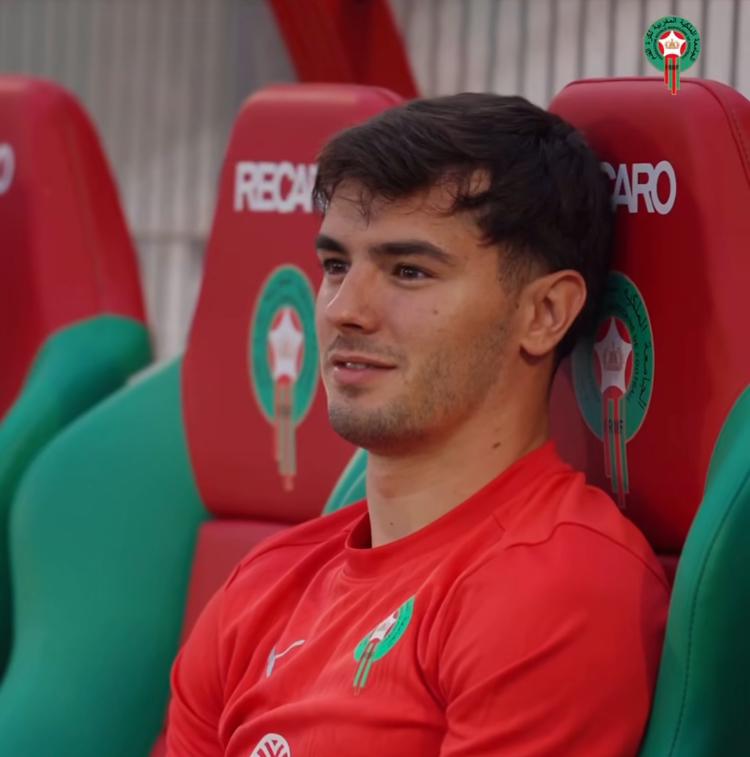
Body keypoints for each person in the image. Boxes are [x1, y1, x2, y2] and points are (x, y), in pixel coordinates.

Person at [166, 93, 669, 756]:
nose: (344, 309)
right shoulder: (260, 586)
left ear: (545, 313)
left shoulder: (556, 586)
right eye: (336, 265)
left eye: (409, 271)